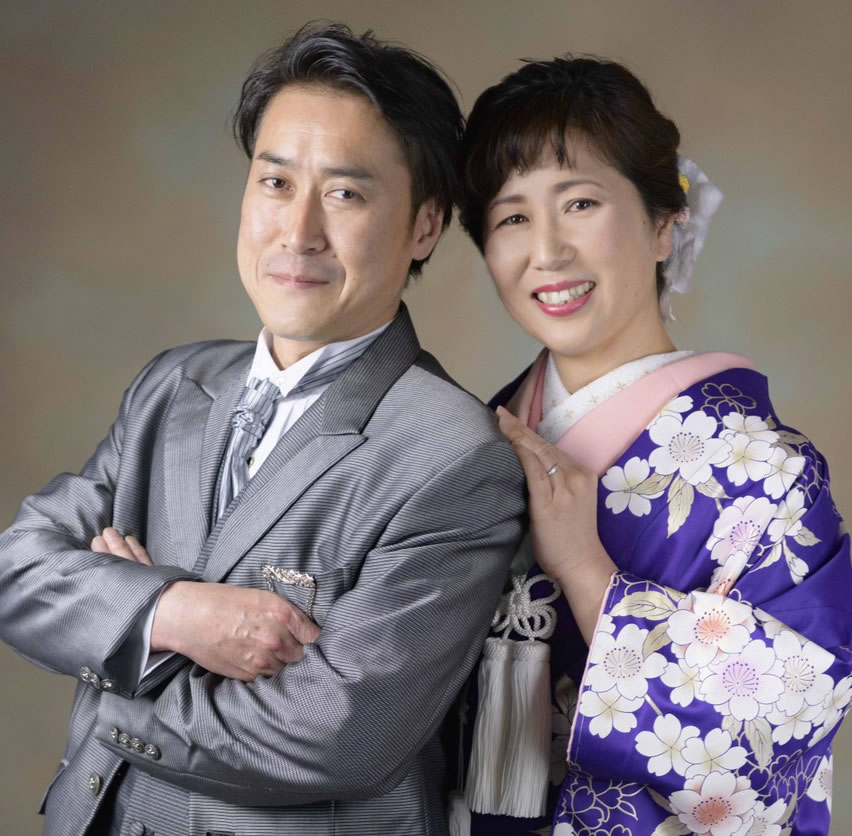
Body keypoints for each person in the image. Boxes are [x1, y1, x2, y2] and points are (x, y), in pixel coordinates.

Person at [0, 22, 526, 836]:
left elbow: (334, 734)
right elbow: (19, 569)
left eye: (345, 194)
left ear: (425, 225)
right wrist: (175, 614)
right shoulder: (173, 386)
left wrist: (112, 646)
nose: (298, 231)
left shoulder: (453, 455)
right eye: (275, 182)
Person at [452, 56, 851, 836]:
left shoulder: (769, 476)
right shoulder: (465, 439)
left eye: (580, 203)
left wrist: (587, 573)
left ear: (666, 224)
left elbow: (784, 735)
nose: (547, 251)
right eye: (512, 218)